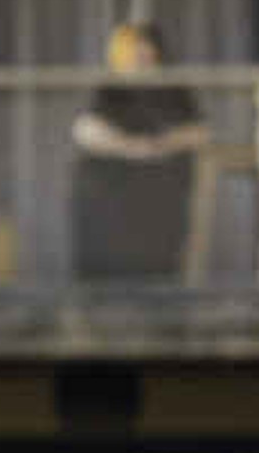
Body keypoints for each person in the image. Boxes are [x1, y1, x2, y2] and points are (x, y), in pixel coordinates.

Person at [69, 19, 212, 283]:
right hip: (111, 193)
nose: (142, 56)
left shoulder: (174, 89)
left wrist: (163, 145)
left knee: (159, 265)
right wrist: (132, 148)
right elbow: (85, 130)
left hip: (160, 193)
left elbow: (199, 131)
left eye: (147, 48)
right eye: (134, 49)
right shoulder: (109, 89)